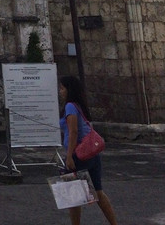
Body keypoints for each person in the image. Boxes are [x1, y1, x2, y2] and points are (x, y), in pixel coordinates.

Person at [59, 75, 120, 225]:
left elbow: (73, 131)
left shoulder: (70, 106)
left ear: (69, 89)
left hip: (78, 155)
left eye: (62, 88)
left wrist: (69, 156)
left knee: (73, 196)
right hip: (91, 154)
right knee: (98, 191)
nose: (60, 91)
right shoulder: (80, 105)